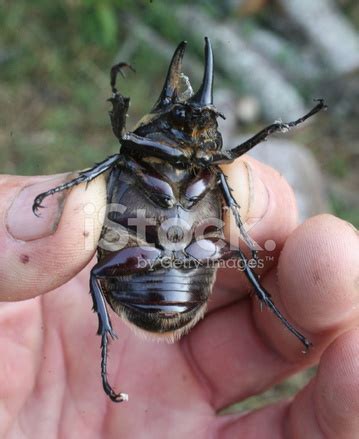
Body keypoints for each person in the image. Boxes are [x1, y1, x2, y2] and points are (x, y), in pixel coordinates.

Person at [0, 157, 358, 438]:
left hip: (178, 272)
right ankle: (105, 347)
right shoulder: (129, 161)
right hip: (146, 280)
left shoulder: (209, 170)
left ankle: (274, 309)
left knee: (241, 237)